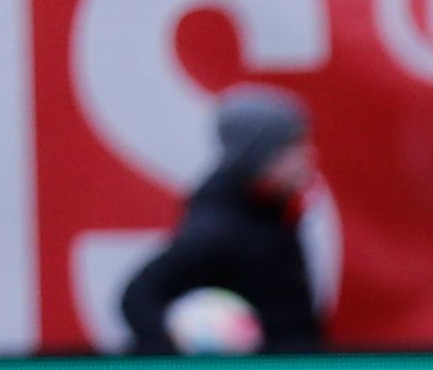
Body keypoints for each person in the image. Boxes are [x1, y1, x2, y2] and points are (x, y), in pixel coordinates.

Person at [118, 87, 324, 356]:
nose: (307, 155)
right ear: (259, 157)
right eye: (293, 146)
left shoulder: (272, 214)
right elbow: (138, 298)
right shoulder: (219, 230)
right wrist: (191, 350)